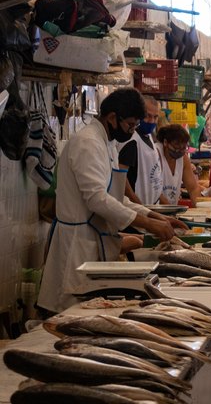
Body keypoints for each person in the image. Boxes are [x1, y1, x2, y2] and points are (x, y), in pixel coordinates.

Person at [38, 88, 186, 313]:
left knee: (88, 312)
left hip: (94, 241)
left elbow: (117, 199)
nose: (132, 131)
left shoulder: (107, 143)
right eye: (129, 125)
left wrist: (156, 216)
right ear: (111, 118)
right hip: (75, 245)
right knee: (68, 315)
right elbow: (97, 200)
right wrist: (148, 225)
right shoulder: (87, 143)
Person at [118, 95, 165, 205]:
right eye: (147, 116)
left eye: (155, 117)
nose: (151, 121)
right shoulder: (132, 140)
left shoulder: (148, 137)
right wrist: (138, 205)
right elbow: (121, 178)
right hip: (135, 211)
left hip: (151, 208)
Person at [156, 124, 202, 206]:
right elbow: (154, 190)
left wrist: (199, 207)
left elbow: (193, 188)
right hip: (155, 210)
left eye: (183, 147)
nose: (180, 150)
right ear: (166, 142)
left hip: (172, 210)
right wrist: (171, 209)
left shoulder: (183, 158)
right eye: (176, 145)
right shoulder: (156, 154)